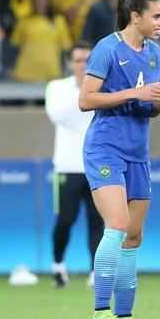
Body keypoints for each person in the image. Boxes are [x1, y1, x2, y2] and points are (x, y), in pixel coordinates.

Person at [80, 0, 160, 319]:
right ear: (135, 17)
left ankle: (124, 317)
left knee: (134, 235)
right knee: (118, 224)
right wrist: (135, 93)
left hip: (138, 151)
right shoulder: (107, 49)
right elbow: (86, 99)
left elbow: (148, 108)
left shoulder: (154, 53)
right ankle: (100, 313)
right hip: (105, 149)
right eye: (157, 16)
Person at [45, 43, 104, 288]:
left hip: (96, 166)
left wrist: (91, 90)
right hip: (67, 167)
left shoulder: (104, 85)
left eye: (87, 60)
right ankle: (58, 266)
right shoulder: (57, 87)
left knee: (97, 222)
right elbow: (56, 114)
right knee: (65, 220)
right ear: (70, 63)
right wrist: (83, 90)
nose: (83, 65)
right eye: (78, 60)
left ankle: (96, 272)